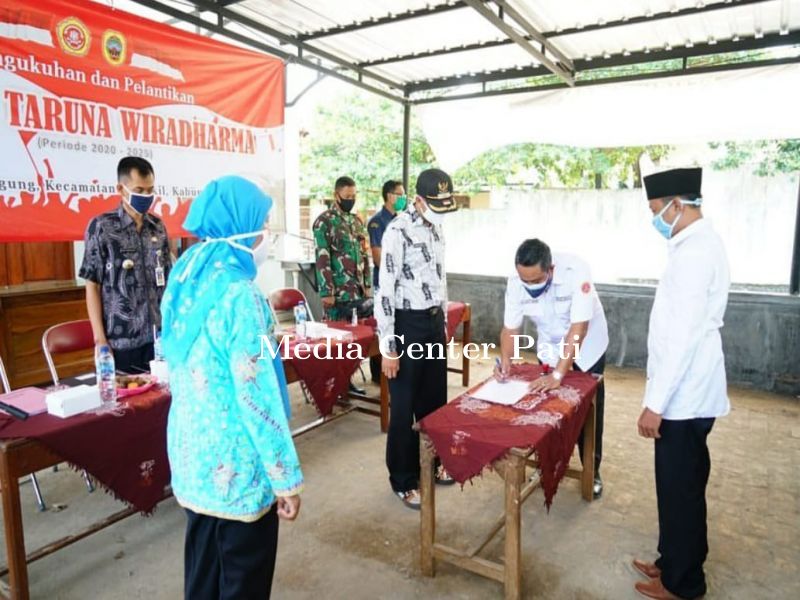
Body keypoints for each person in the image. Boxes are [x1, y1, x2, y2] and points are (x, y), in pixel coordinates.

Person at [161, 175, 303, 600]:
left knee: (204, 572)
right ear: (240, 228)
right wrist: (285, 479)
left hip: (193, 457)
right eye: (261, 226)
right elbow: (256, 395)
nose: (265, 237)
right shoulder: (241, 296)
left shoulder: (186, 276)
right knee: (242, 580)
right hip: (237, 468)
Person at [633, 167, 730, 600]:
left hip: (685, 395)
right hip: (683, 390)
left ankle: (684, 583)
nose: (655, 219)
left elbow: (684, 337)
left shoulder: (696, 253)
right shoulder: (691, 244)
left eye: (656, 210)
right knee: (676, 484)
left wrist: (655, 403)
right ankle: (671, 561)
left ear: (677, 204)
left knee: (682, 487)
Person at [496, 239, 609, 498]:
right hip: (549, 345)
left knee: (587, 411)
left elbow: (578, 328)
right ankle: (549, 463)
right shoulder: (516, 282)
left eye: (536, 281)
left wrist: (559, 374)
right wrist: (506, 362)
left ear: (551, 268)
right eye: (525, 280)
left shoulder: (576, 271)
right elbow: (510, 328)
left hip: (587, 345)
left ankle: (592, 469)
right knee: (546, 408)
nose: (530, 287)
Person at [376, 168, 458, 509]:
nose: (441, 211)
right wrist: (388, 347)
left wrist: (443, 321)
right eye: (435, 204)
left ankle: (435, 464)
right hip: (406, 324)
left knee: (435, 401)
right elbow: (385, 291)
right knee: (405, 407)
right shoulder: (398, 230)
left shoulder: (437, 227)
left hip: (433, 322)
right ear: (419, 200)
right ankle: (404, 479)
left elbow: (440, 277)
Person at [79, 156, 171, 373]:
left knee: (161, 402)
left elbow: (167, 279)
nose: (147, 197)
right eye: (140, 190)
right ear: (121, 188)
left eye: (150, 190)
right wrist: (100, 339)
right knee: (128, 403)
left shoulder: (157, 227)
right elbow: (92, 285)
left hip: (158, 340)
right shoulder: (102, 227)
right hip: (121, 341)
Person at [313, 175, 374, 392]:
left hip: (357, 291)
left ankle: (346, 380)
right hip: (337, 293)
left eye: (354, 196)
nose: (351, 199)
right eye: (347, 196)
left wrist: (367, 283)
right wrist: (326, 291)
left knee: (354, 340)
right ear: (335, 195)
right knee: (336, 341)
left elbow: (364, 255)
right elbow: (322, 258)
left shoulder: (355, 222)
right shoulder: (324, 222)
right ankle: (334, 385)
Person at [365, 179, 406, 383]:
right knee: (383, 324)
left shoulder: (401, 220)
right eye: (400, 194)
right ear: (390, 196)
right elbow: (378, 257)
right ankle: (377, 374)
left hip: (401, 287)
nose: (403, 198)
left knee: (396, 325)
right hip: (385, 284)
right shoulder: (378, 222)